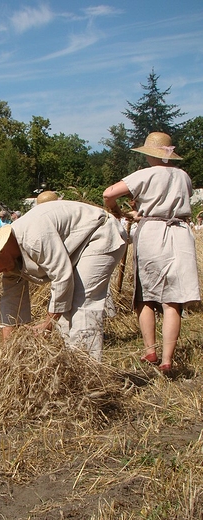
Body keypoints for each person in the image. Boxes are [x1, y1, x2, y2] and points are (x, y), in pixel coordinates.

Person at [0, 200, 127, 361]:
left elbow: (62, 276)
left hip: (100, 234)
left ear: (0, 251)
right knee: (64, 313)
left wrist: (48, 324)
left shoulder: (33, 238)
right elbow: (11, 302)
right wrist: (7, 352)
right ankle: (71, 364)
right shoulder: (10, 262)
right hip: (76, 250)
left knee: (82, 302)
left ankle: (88, 369)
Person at [103, 132, 201, 372]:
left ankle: (150, 352)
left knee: (145, 295)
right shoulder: (183, 176)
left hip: (153, 232)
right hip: (180, 232)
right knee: (172, 300)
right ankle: (168, 359)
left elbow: (108, 193)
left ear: (148, 154)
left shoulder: (144, 174)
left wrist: (116, 211)